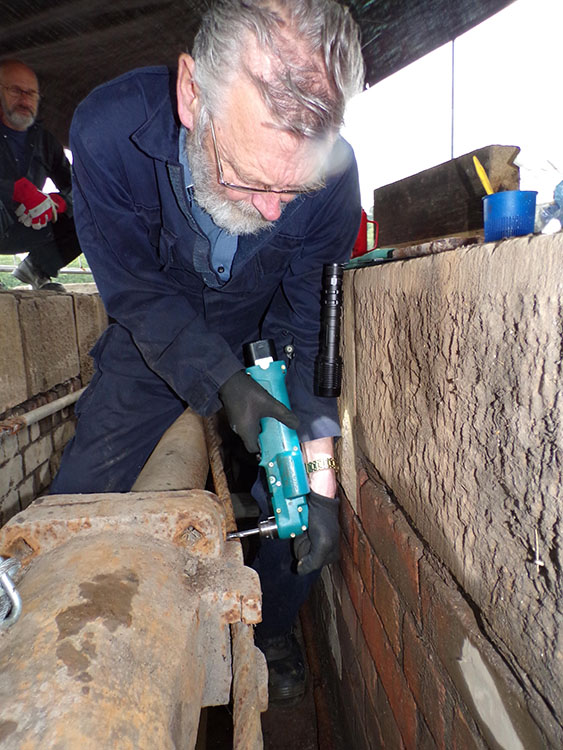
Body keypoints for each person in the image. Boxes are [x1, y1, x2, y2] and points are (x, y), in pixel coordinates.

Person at [51, 0, 364, 702]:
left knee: (291, 504)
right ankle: (41, 633)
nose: (273, 211)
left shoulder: (333, 180)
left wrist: (319, 478)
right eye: (251, 178)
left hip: (265, 332)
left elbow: (313, 334)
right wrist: (218, 380)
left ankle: (272, 628)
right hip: (156, 328)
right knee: (83, 483)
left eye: (296, 187)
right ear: (192, 94)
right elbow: (132, 290)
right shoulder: (110, 133)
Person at [0, 59, 82, 291]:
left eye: (31, 93)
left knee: (91, 207)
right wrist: (15, 191)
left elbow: (78, 186)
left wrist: (59, 203)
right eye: (16, 90)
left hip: (27, 228)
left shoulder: (44, 140)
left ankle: (37, 269)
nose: (24, 99)